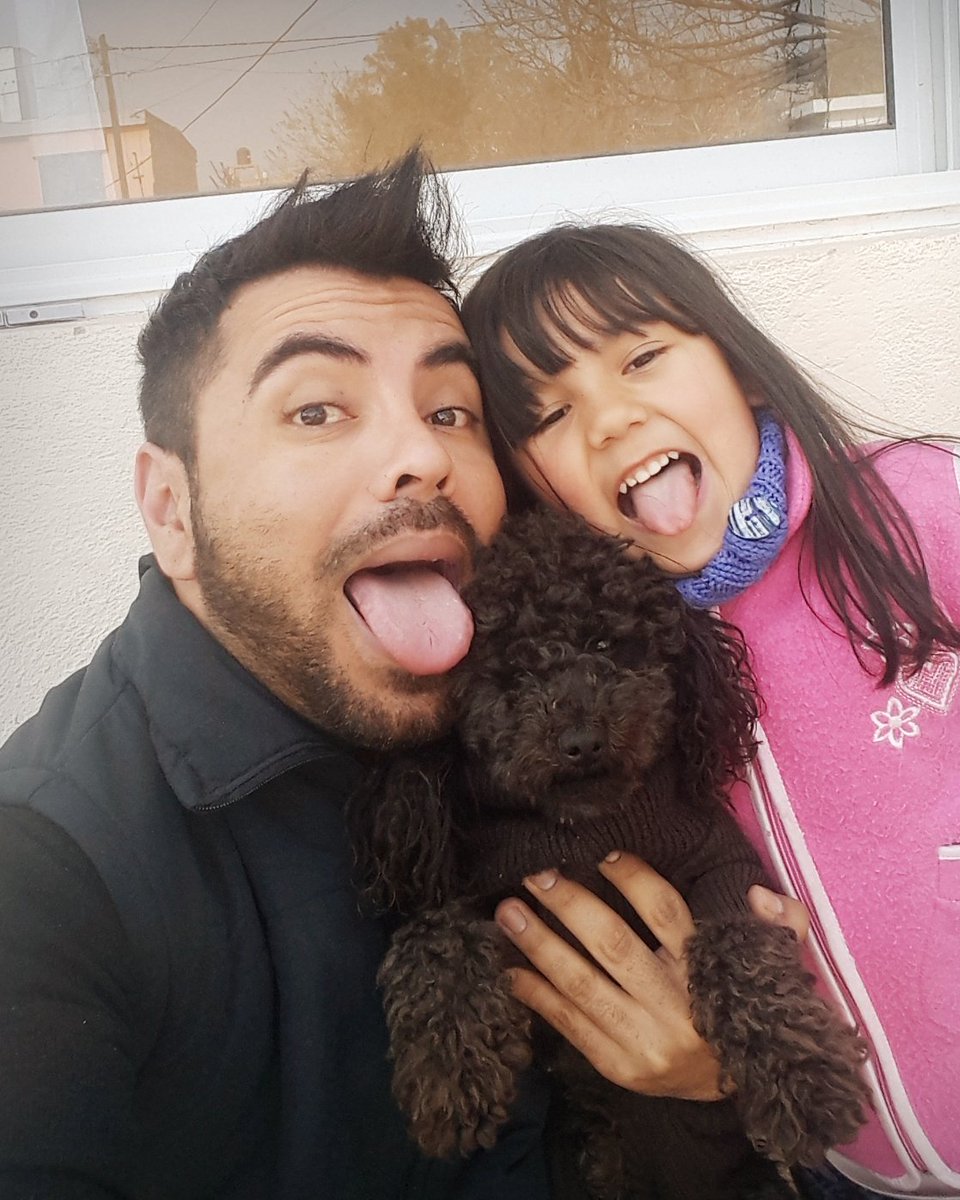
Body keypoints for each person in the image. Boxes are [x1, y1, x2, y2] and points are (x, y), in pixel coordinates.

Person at [0, 154, 755, 1200]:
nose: (422, 456)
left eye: (450, 412)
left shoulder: (554, 708)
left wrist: (707, 1087)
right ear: (172, 508)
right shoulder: (51, 871)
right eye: (317, 409)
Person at [460, 220, 960, 1199]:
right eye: (551, 414)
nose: (609, 419)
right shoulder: (617, 652)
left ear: (740, 368)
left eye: (641, 357)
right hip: (844, 1161)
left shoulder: (914, 512)